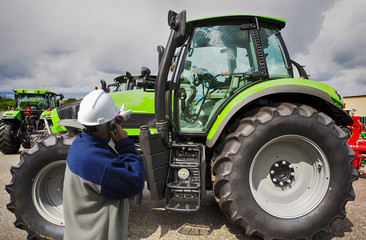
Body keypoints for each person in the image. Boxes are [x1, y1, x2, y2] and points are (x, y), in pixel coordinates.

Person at [63, 90, 145, 240]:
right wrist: (124, 144)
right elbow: (137, 182)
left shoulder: (80, 144)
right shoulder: (100, 163)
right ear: (108, 125)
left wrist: (117, 119)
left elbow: (99, 126)